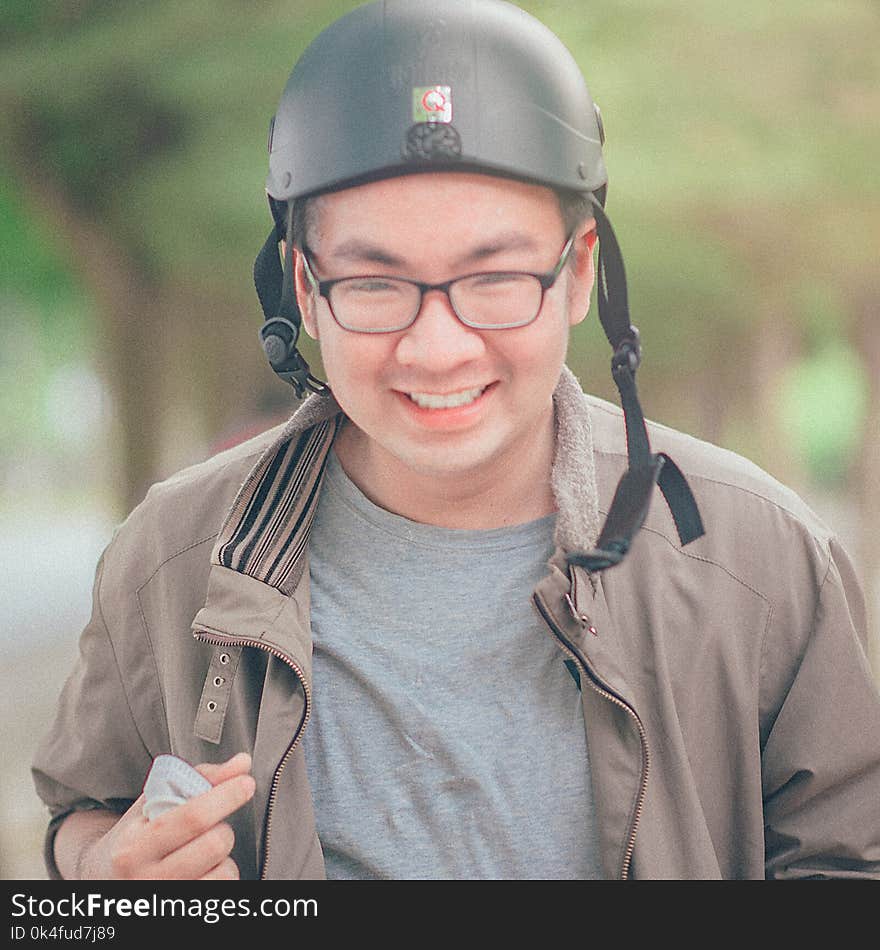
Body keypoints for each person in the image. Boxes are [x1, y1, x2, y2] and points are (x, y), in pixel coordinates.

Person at [32, 0, 880, 881]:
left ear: (580, 270)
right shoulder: (172, 558)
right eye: (373, 284)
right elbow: (81, 809)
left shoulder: (760, 561)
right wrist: (109, 879)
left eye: (496, 277)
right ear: (304, 288)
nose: (437, 349)